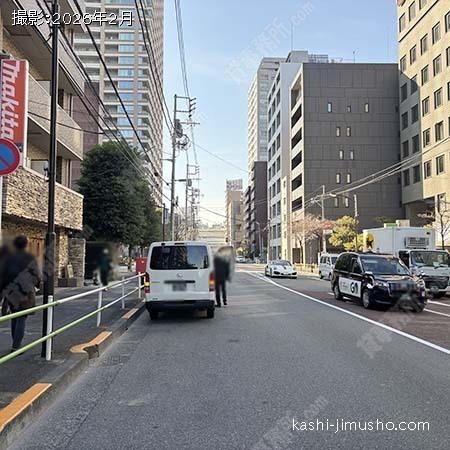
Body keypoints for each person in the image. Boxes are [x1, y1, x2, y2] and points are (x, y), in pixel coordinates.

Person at [2, 235, 41, 352]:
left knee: (14, 316)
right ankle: (16, 346)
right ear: (25, 245)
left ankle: (15, 343)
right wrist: (37, 286)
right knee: (21, 318)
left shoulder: (10, 258)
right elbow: (36, 276)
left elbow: (4, 275)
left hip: (12, 291)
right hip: (26, 292)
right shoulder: (30, 258)